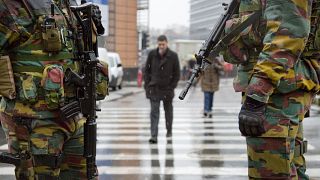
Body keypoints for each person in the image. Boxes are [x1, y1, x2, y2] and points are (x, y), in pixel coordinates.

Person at [0, 0, 106, 179]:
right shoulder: (13, 5)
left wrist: (90, 29)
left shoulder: (68, 3)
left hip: (75, 114)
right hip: (35, 121)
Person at [222, 0, 320, 179]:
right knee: (288, 168)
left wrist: (257, 95)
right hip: (280, 86)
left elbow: (289, 31)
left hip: (277, 90)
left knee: (271, 174)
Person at [144, 35, 180, 144]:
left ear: (167, 43)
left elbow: (177, 73)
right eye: (159, 44)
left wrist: (172, 86)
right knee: (154, 113)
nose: (161, 46)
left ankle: (169, 131)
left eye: (163, 44)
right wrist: (147, 85)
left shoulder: (173, 56)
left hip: (167, 89)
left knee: (168, 112)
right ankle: (153, 135)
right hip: (154, 88)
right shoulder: (152, 54)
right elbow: (146, 71)